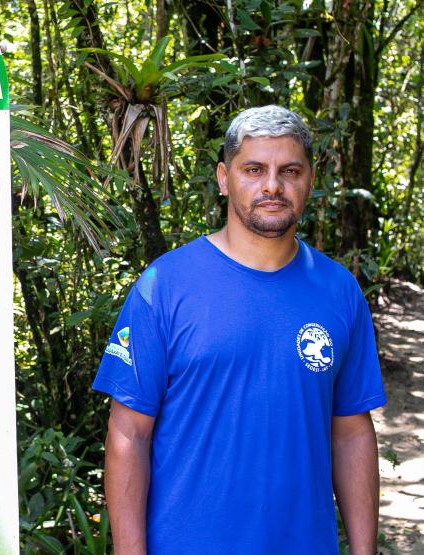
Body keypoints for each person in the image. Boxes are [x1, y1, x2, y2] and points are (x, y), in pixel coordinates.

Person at [92, 105, 386, 555]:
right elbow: (129, 433)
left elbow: (351, 431)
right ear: (224, 178)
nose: (272, 185)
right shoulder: (164, 286)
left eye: (290, 170)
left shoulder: (339, 291)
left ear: (310, 179)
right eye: (254, 169)